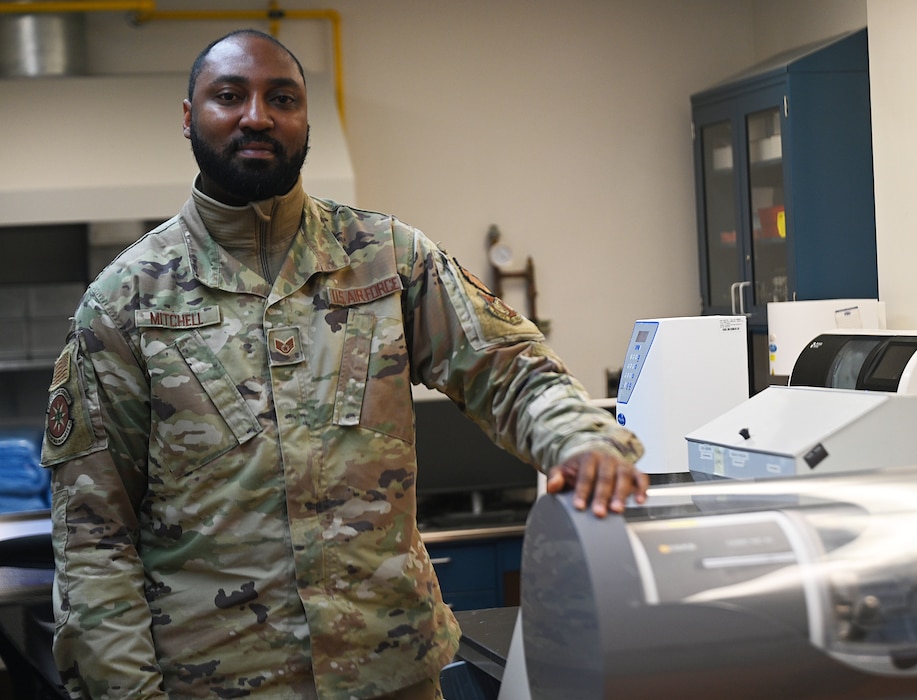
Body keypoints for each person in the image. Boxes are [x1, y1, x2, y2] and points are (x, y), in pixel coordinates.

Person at [41, 28, 647, 700]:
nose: (257, 115)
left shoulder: (388, 258)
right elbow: (94, 538)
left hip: (393, 675)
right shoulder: (127, 301)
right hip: (218, 684)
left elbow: (510, 369)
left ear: (306, 120)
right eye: (229, 96)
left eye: (282, 97)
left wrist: (582, 441)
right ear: (189, 118)